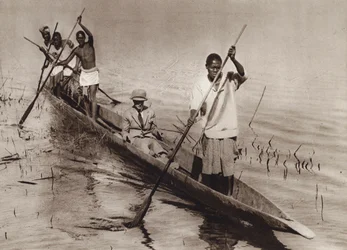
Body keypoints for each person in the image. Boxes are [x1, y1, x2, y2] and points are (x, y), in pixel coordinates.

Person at [188, 46, 248, 195]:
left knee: (228, 168)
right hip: (210, 130)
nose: (215, 70)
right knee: (209, 167)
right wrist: (192, 116)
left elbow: (243, 73)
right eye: (212, 68)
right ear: (206, 67)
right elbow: (195, 105)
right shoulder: (200, 84)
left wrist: (233, 59)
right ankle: (209, 194)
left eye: (218, 67)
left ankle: (228, 196)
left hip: (228, 130)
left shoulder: (229, 80)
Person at [56, 15, 98, 120]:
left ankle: (93, 118)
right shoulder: (76, 50)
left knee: (92, 96)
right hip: (84, 74)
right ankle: (88, 117)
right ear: (77, 39)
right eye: (78, 39)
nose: (80, 40)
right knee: (85, 97)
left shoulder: (90, 44)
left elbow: (90, 34)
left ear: (84, 38)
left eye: (81, 38)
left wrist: (80, 24)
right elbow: (66, 61)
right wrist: (56, 63)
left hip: (93, 73)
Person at [122, 89, 171, 161]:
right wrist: (125, 135)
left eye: (141, 101)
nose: (139, 104)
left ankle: (164, 158)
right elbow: (124, 130)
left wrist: (158, 132)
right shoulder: (127, 113)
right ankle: (154, 158)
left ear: (144, 101)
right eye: (136, 102)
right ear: (133, 101)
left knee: (155, 144)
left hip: (148, 137)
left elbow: (154, 128)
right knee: (144, 146)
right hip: (135, 138)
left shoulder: (150, 112)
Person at [41, 32, 76, 98]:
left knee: (59, 76)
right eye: (55, 40)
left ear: (60, 39)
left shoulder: (65, 43)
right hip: (61, 65)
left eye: (57, 40)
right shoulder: (52, 47)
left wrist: (67, 42)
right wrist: (44, 52)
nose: (56, 42)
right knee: (54, 71)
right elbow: (50, 60)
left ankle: (58, 94)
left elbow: (72, 46)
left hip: (69, 65)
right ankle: (54, 90)